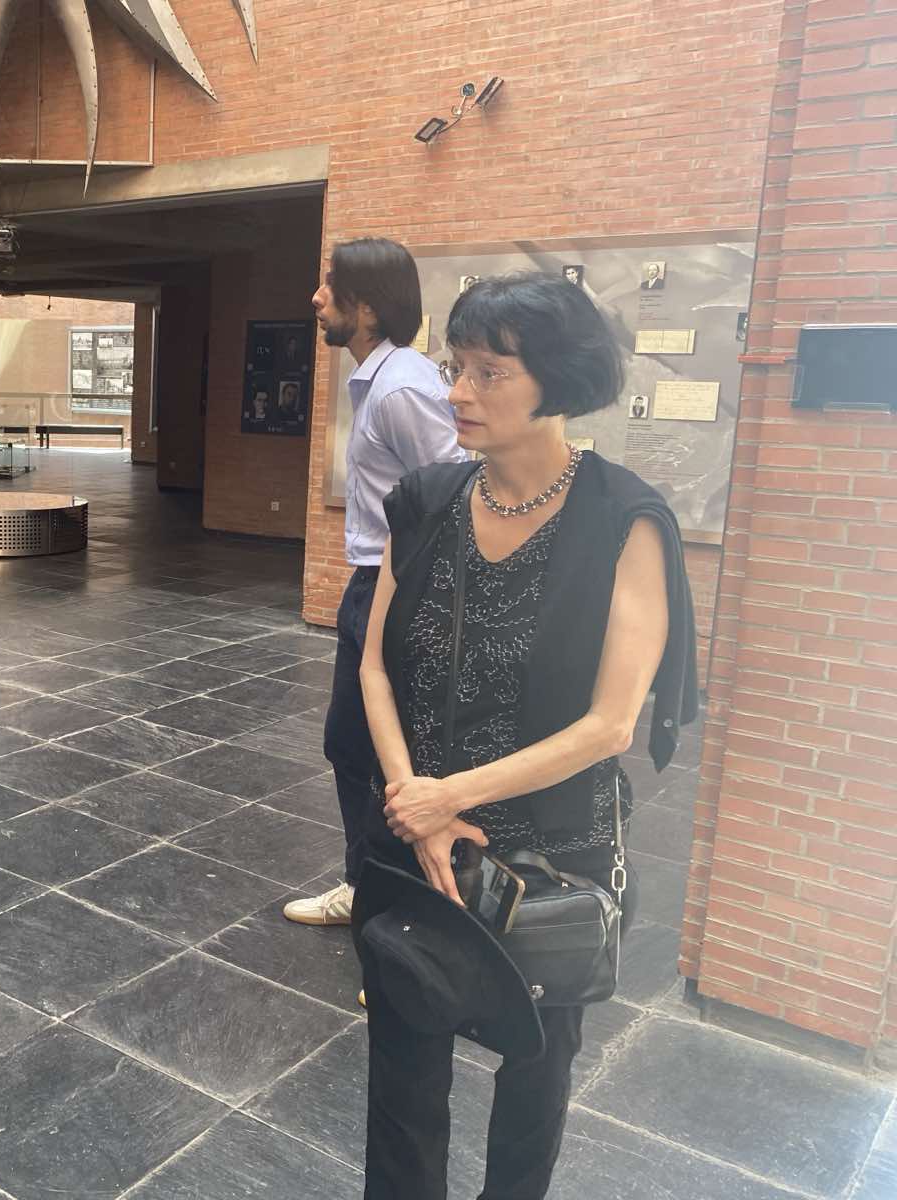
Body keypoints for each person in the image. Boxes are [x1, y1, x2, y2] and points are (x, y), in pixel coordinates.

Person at [355, 272, 697, 1198]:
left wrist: (450, 797)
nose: (458, 392)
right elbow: (377, 666)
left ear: (557, 381)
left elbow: (611, 724)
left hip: (550, 846)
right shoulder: (425, 500)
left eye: (489, 373)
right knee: (401, 1074)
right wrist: (417, 806)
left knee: (536, 1072)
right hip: (416, 836)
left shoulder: (621, 519)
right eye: (455, 367)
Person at [284, 237, 464, 947]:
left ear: (365, 307)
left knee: (388, 759)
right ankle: (367, 893)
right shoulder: (380, 381)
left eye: (330, 288)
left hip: (402, 592)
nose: (317, 298)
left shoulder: (402, 388)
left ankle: (398, 917)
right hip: (373, 586)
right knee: (352, 747)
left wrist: (416, 601)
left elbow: (454, 496)